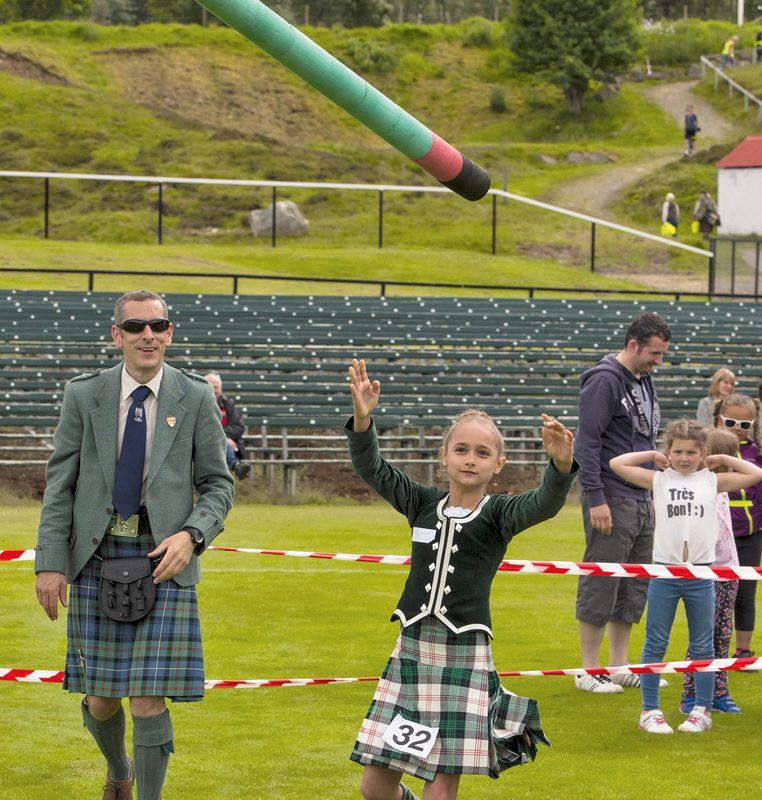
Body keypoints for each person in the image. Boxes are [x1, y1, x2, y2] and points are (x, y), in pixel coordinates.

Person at [35, 290, 235, 800]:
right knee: (101, 700)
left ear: (169, 333)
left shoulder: (194, 397)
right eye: (135, 326)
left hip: (163, 559)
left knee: (147, 699)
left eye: (158, 325)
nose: (148, 334)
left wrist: (193, 536)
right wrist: (50, 563)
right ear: (117, 335)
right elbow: (61, 485)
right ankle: (119, 770)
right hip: (96, 558)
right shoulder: (84, 395)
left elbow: (218, 483)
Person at [345, 358, 577, 800]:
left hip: (464, 655)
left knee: (440, 789)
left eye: (482, 453)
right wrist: (362, 419)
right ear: (444, 456)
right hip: (412, 651)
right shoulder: (420, 502)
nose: (471, 460)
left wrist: (560, 466)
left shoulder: (500, 514)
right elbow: (373, 469)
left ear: (498, 464)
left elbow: (544, 504)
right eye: (462, 450)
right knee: (374, 787)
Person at [610, 419, 762, 734]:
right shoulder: (659, 479)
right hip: (665, 573)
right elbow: (616, 464)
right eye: (677, 451)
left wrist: (721, 460)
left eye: (692, 452)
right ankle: (650, 711)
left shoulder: (711, 480)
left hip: (701, 574)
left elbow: (755, 474)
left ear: (702, 453)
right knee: (655, 642)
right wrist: (651, 454)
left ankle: (701, 710)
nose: (684, 458)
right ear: (669, 452)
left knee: (703, 645)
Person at [575, 312, 671, 694]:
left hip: (641, 496)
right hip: (610, 497)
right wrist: (595, 497)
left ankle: (618, 666)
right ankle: (587, 669)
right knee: (602, 579)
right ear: (633, 344)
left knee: (633, 585)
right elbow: (587, 442)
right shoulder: (604, 380)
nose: (658, 361)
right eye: (654, 353)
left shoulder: (645, 381)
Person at [680, 427, 743, 715]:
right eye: (733, 455)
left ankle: (719, 691)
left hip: (728, 572)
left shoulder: (721, 491)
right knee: (702, 638)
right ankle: (691, 695)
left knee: (721, 636)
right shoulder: (698, 491)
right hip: (706, 574)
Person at [712, 393, 762, 663]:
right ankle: (710, 647)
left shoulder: (758, 450)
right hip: (717, 533)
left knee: (746, 592)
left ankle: (743, 651)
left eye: (745, 424)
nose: (737, 429)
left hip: (751, 533)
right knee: (715, 593)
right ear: (719, 418)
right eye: (731, 422)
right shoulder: (707, 447)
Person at [204, 372, 251, 479]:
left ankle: (235, 465)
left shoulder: (227, 404)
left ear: (220, 389)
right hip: (205, 445)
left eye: (216, 387)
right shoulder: (198, 405)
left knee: (221, 441)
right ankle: (236, 465)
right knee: (218, 440)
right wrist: (223, 437)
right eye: (210, 386)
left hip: (228, 447)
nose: (214, 390)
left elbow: (239, 427)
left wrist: (225, 437)